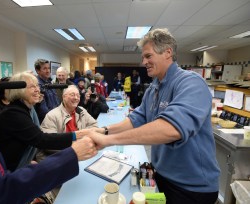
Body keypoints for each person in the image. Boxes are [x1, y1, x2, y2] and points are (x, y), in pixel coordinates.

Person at [86, 28, 220, 204]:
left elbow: (171, 129)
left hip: (192, 187)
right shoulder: (153, 89)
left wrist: (110, 140)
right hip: (160, 176)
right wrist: (104, 131)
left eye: (148, 56)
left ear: (167, 53)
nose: (144, 62)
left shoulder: (191, 83)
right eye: (143, 57)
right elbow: (136, 119)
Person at [0, 49, 97, 204]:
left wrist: (27, 162)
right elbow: (40, 139)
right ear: (20, 90)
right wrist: (75, 149)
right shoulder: (13, 113)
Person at [37, 85, 98, 162]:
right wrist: (75, 147)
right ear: (64, 97)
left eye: (78, 95)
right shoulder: (52, 115)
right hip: (61, 158)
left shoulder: (81, 111)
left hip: (80, 154)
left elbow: (94, 126)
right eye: (72, 95)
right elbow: (49, 143)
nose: (76, 98)